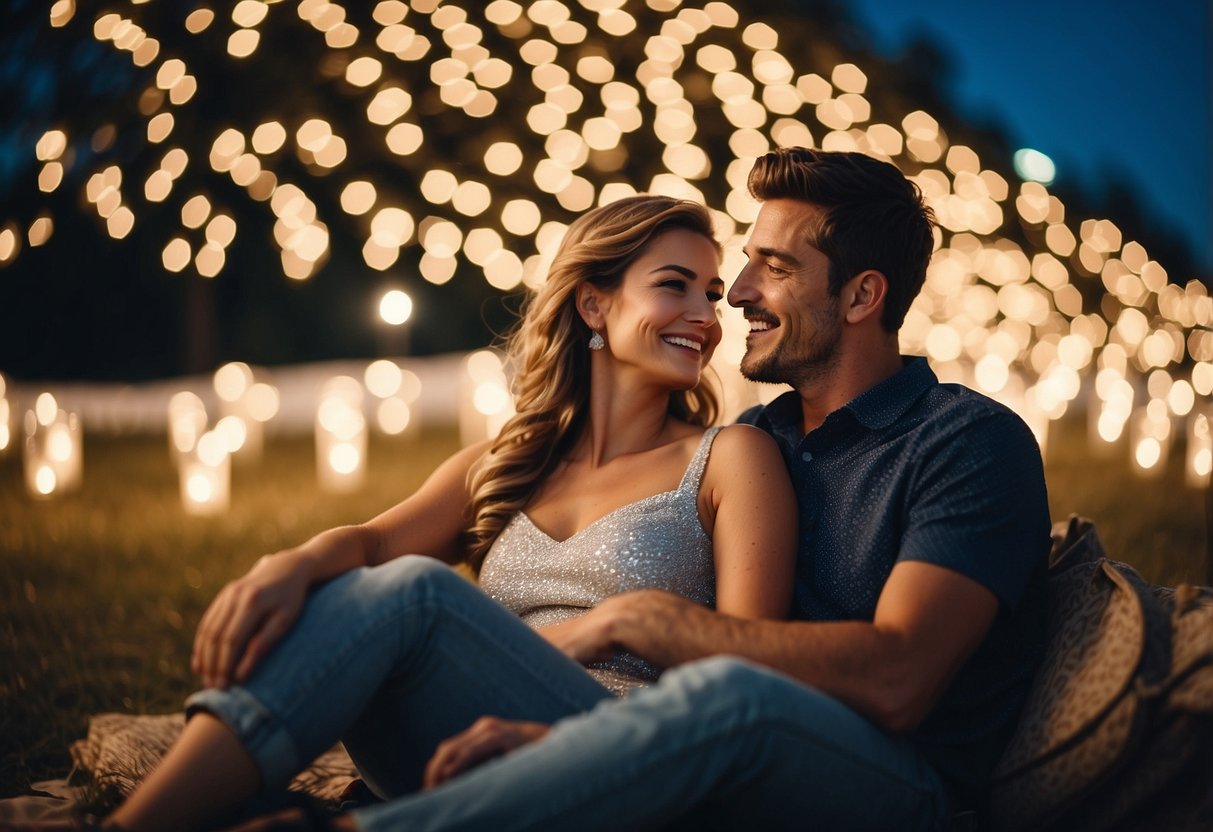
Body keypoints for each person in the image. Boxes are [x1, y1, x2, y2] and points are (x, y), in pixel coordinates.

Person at [261, 147, 1050, 831]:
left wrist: (642, 622)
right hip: (709, 761)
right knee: (409, 593)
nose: (735, 295)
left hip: (890, 792)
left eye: (771, 268)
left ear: (860, 296)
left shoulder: (964, 442)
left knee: (734, 696)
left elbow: (896, 679)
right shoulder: (758, 445)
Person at [78, 196, 798, 832]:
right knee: (348, 583)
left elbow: (745, 677)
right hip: (462, 742)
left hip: (631, 754)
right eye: (674, 287)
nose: (706, 318)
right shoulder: (506, 462)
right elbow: (371, 542)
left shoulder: (730, 458)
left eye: (710, 293)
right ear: (593, 304)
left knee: (412, 591)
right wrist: (289, 566)